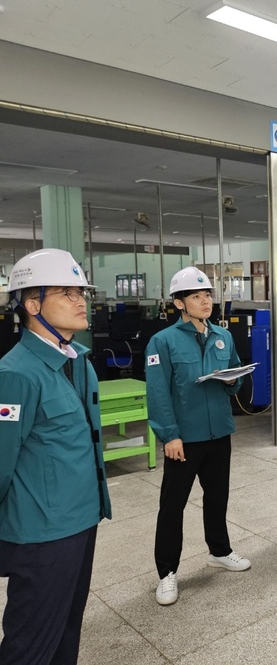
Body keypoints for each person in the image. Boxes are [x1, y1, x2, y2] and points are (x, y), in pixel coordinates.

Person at [0, 248, 112, 664]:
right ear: (32, 306)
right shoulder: (16, 374)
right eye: (67, 292)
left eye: (82, 292)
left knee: (66, 630)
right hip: (41, 535)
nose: (81, 300)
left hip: (81, 520)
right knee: (30, 643)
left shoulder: (77, 362)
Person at [146, 266, 250, 607]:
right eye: (196, 296)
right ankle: (166, 573)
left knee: (217, 497)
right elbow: (158, 393)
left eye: (207, 296)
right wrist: (169, 436)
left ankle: (219, 551)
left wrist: (233, 379)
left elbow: (236, 373)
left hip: (219, 431)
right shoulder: (162, 341)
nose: (205, 302)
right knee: (172, 506)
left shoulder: (223, 335)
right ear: (179, 303)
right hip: (184, 439)